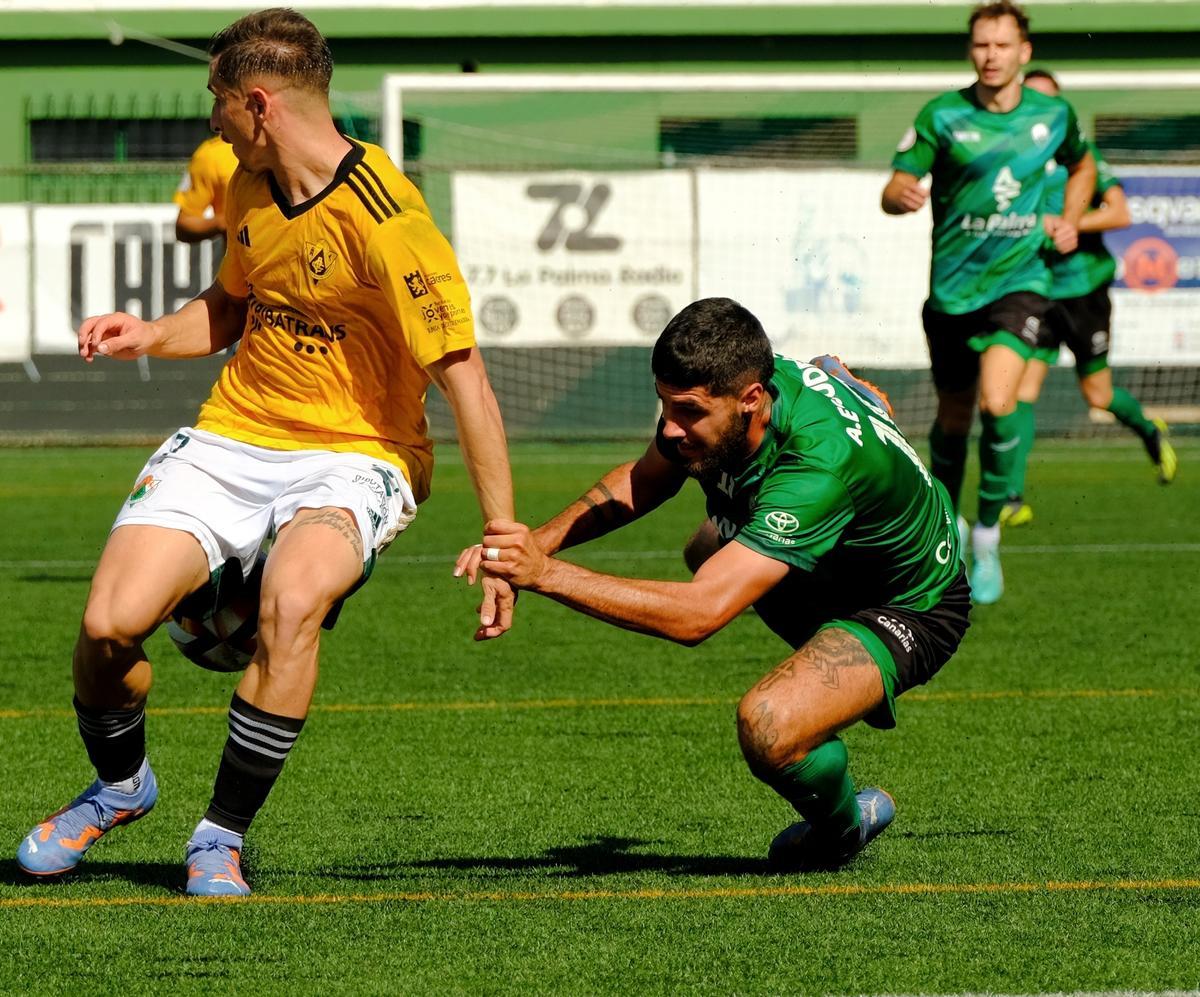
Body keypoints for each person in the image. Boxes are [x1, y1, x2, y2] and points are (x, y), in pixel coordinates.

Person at [16, 8, 515, 898]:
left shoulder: (392, 223)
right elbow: (232, 306)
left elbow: (467, 381)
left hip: (358, 455)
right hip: (233, 433)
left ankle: (220, 836)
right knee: (105, 627)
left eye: (216, 100)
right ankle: (123, 788)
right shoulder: (249, 184)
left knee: (291, 604)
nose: (209, 119)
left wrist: (504, 537)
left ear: (256, 103)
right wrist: (150, 334)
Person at [458, 298, 970, 871]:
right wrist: (532, 545)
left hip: (909, 604)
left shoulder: (816, 469)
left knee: (770, 725)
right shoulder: (743, 387)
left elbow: (698, 615)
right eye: (664, 405)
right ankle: (835, 684)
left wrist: (544, 573)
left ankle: (844, 825)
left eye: (689, 412)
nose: (671, 427)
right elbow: (644, 479)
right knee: (704, 546)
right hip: (838, 558)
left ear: (751, 398)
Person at [881, 0, 1096, 604]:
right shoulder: (943, 115)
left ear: (1024, 53)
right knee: (953, 417)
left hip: (1021, 282)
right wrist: (899, 194)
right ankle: (944, 525)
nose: (991, 56)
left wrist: (1071, 218)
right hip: (952, 292)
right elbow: (897, 180)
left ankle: (987, 534)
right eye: (982, 45)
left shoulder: (1053, 115)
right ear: (970, 51)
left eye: (1003, 45)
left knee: (999, 401)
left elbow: (1082, 166)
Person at [1000, 68, 1177, 526]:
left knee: (1097, 395)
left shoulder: (1082, 155)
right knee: (1022, 390)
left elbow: (1119, 212)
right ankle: (1012, 498)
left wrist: (1069, 225)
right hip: (1035, 289)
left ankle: (1147, 429)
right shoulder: (1010, 159)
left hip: (1083, 291)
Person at [173, 133, 239, 244]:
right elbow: (184, 224)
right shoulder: (211, 155)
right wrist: (224, 222)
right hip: (240, 259)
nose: (214, 124)